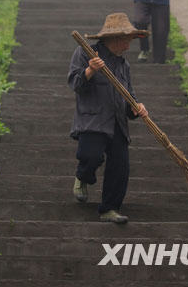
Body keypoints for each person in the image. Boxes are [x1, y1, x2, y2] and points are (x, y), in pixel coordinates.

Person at [68, 12, 149, 224]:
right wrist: (90, 71)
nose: (129, 43)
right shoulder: (86, 53)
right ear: (114, 38)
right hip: (93, 120)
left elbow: (128, 95)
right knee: (91, 156)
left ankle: (109, 209)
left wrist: (136, 107)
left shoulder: (124, 65)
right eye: (127, 38)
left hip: (117, 124)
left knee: (120, 168)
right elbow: (75, 84)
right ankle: (83, 176)